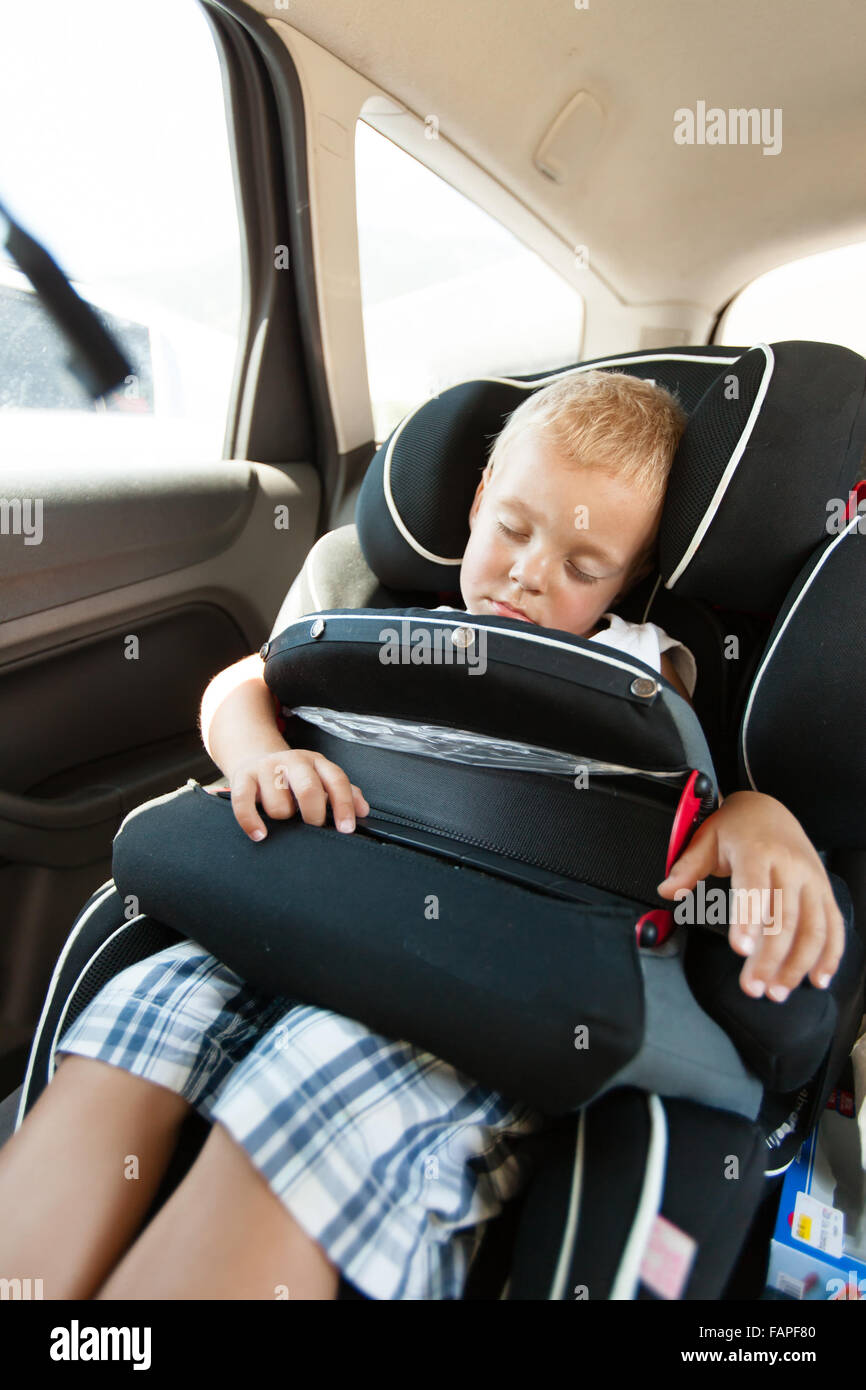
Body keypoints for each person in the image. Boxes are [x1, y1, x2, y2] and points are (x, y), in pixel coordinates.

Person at [0, 371, 845, 1302]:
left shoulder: (643, 666)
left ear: (634, 578)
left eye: (584, 565)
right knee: (134, 1028)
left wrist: (761, 820)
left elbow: (701, 793)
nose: (530, 574)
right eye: (515, 529)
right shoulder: (386, 623)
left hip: (472, 979)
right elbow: (239, 683)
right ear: (478, 499)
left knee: (315, 1084)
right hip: (296, 908)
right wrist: (256, 756)